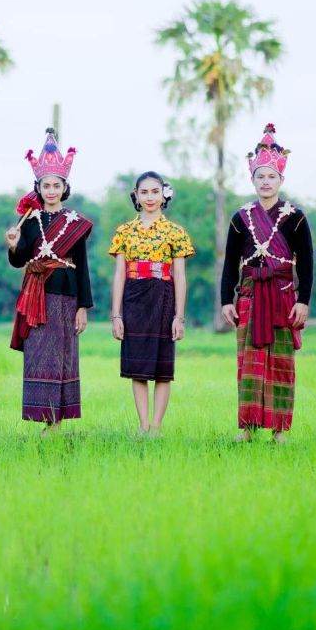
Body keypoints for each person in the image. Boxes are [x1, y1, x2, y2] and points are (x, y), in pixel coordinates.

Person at [219, 124, 313, 443]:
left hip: (283, 297)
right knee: (249, 363)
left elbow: (308, 263)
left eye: (272, 176)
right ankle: (246, 427)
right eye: (261, 176)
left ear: (281, 180)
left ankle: (279, 430)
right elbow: (230, 263)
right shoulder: (240, 218)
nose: (266, 182)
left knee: (281, 363)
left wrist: (304, 301)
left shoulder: (295, 217)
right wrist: (226, 300)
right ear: (253, 179)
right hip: (249, 296)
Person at [6, 127, 93, 433]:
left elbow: (82, 267)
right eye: (46, 185)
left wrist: (83, 307)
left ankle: (56, 422)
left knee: (63, 355)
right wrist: (14, 243)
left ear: (64, 187)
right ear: (39, 187)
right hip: (37, 297)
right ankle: (43, 417)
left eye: (57, 185)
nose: (51, 190)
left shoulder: (76, 224)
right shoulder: (29, 221)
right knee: (39, 355)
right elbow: (19, 262)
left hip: (66, 297)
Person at [108, 171, 193, 436]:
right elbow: (120, 273)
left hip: (163, 298)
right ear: (136, 195)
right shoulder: (124, 231)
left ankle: (156, 426)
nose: (149, 198)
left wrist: (179, 316)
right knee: (138, 367)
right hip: (134, 297)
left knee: (163, 369)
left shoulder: (175, 232)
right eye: (143, 192)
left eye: (154, 192)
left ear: (163, 194)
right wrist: (116, 314)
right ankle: (143, 425)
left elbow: (179, 275)